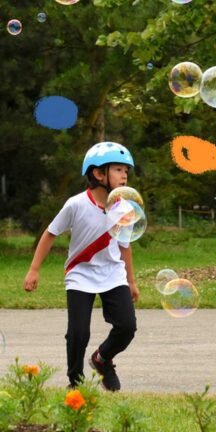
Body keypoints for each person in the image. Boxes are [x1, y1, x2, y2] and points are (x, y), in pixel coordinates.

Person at [23, 142, 139, 391]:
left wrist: (131, 281)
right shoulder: (75, 204)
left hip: (112, 273)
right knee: (78, 333)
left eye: (125, 170)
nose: (125, 175)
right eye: (118, 169)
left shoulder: (125, 208)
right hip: (81, 274)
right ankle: (75, 382)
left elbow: (125, 246)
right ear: (99, 174)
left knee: (127, 326)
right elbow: (50, 233)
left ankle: (102, 359)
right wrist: (34, 269)